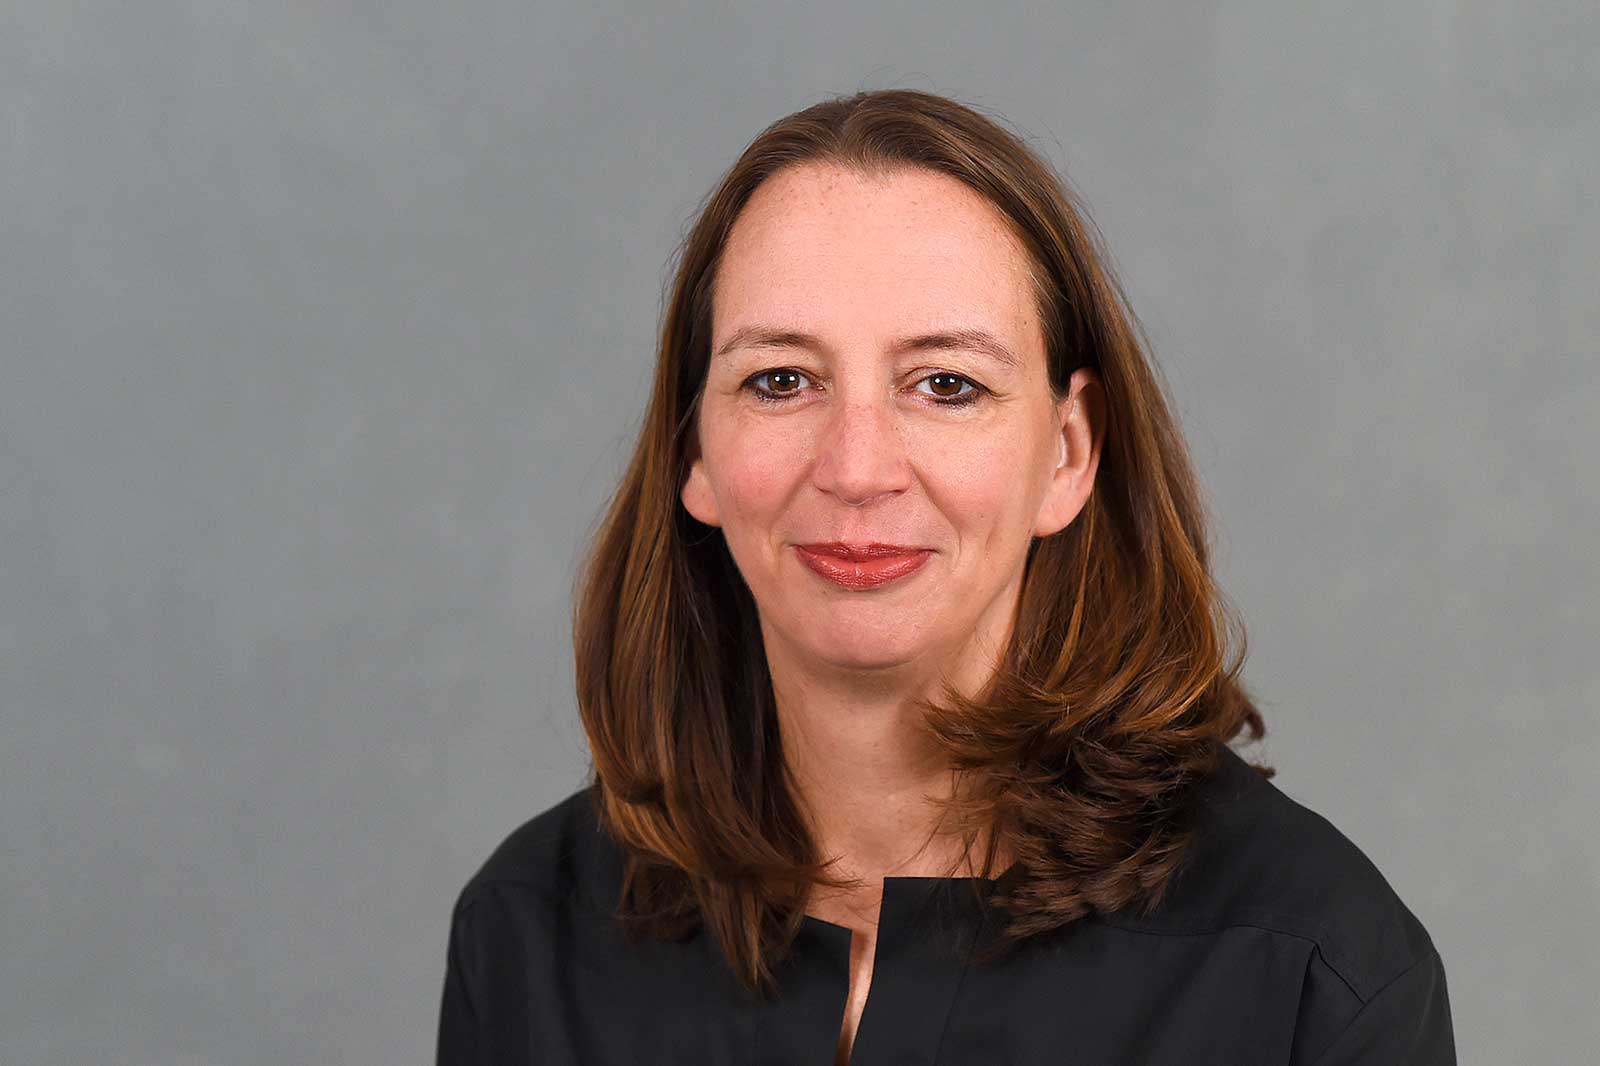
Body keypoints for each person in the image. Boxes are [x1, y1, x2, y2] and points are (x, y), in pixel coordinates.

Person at [434, 88, 1456, 1065]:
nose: (857, 468)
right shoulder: (531, 932)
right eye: (780, 380)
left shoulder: (1312, 971)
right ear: (691, 451)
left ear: (1066, 453)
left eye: (946, 384)